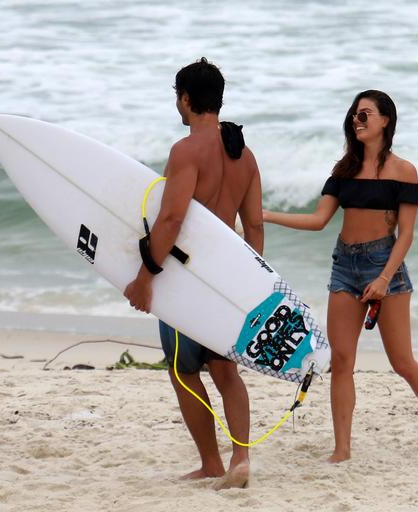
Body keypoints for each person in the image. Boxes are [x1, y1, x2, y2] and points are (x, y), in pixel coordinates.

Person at [263, 90, 418, 462]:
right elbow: (318, 220)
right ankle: (342, 448)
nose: (358, 120)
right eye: (354, 114)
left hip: (385, 265)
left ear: (385, 120)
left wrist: (384, 278)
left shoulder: (404, 171)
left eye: (366, 114)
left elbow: (407, 234)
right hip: (344, 267)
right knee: (342, 360)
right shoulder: (344, 169)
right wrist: (266, 215)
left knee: (402, 361)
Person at [123, 58, 264, 489]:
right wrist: (247, 282)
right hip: (226, 279)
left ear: (185, 99)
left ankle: (210, 463)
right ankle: (241, 459)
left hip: (186, 280)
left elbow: (170, 221)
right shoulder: (246, 155)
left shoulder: (186, 151)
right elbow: (254, 225)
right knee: (226, 370)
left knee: (185, 372)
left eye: (177, 97)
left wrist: (145, 276)